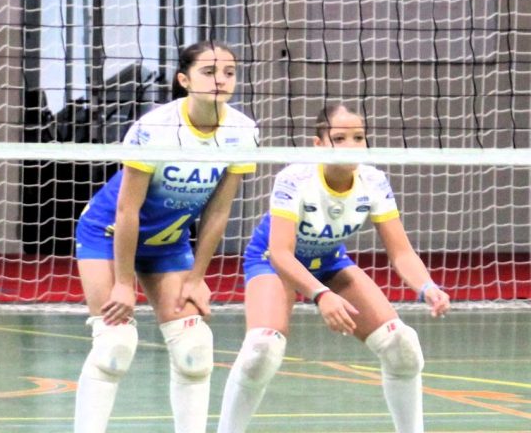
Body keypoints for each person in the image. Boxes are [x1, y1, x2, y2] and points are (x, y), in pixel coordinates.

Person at [216, 103, 450, 433]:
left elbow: (401, 252)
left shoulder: (373, 181)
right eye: (339, 138)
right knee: (261, 350)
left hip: (329, 261)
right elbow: (281, 253)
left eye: (359, 137)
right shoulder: (294, 179)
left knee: (402, 347)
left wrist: (427, 287)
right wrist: (321, 295)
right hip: (273, 263)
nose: (351, 146)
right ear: (319, 144)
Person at [74, 41, 259, 433]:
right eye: (208, 72)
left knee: (195, 350)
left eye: (229, 72)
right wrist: (123, 283)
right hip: (108, 233)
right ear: (184, 80)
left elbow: (218, 211)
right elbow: (127, 210)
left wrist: (196, 278)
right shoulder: (155, 128)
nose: (220, 79)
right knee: (114, 346)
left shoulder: (242, 131)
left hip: (167, 242)